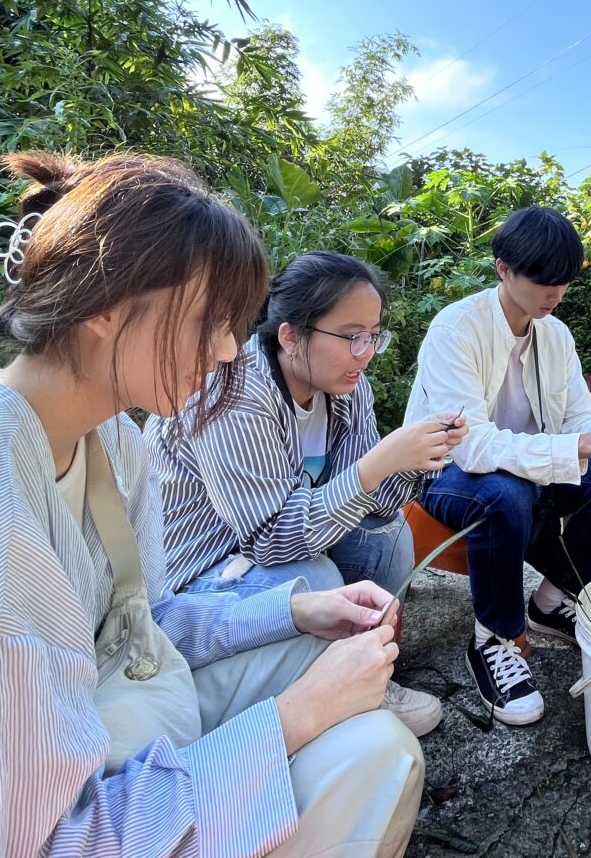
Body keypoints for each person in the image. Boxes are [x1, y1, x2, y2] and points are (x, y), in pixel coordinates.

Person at [0, 152, 422, 858]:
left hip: (91, 717)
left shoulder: (112, 439)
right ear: (106, 310)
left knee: (326, 651)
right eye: (210, 319)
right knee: (370, 754)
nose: (232, 350)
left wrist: (296, 610)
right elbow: (27, 842)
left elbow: (140, 622)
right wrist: (296, 718)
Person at [147, 251, 465, 737]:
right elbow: (271, 538)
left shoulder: (347, 386)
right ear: (291, 336)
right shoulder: (233, 392)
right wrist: (379, 461)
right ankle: (332, 691)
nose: (366, 352)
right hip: (196, 573)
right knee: (313, 574)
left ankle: (364, 670)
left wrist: (418, 459)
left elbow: (373, 503)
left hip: (271, 541)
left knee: (388, 536)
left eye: (373, 335)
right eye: (351, 336)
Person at [406, 206, 591, 725]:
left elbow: (582, 422)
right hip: (448, 474)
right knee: (504, 494)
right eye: (543, 282)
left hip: (527, 472)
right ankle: (494, 636)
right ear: (503, 270)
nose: (554, 295)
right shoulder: (456, 330)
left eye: (564, 282)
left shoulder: (555, 334)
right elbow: (471, 447)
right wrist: (578, 446)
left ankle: (552, 601)